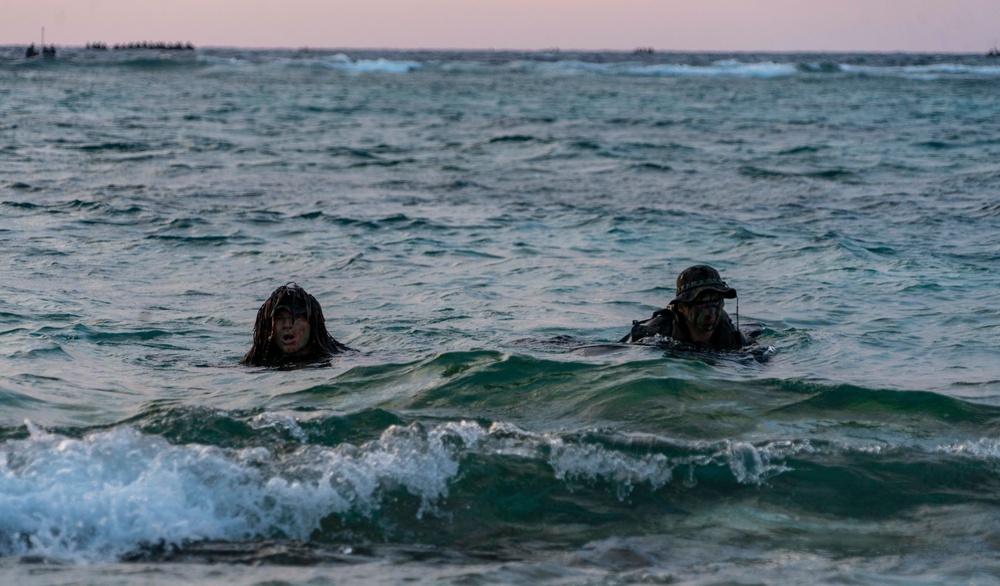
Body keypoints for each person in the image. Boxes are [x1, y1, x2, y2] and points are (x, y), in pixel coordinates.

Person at [620, 265, 752, 350]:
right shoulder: (656, 331)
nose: (710, 312)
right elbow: (619, 351)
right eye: (701, 304)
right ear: (682, 307)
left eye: (715, 302)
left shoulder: (732, 335)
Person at [240, 282, 352, 366]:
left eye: (297, 317)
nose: (287, 325)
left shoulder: (339, 358)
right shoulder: (259, 362)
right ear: (270, 326)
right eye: (279, 318)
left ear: (311, 323)